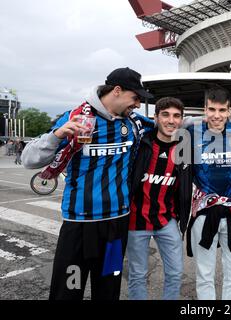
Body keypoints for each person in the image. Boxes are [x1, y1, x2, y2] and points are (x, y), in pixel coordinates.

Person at [22, 67, 154, 300]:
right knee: (68, 291)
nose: (137, 104)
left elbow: (168, 124)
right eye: (135, 98)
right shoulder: (75, 117)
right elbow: (28, 160)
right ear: (117, 91)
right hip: (79, 225)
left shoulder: (134, 122)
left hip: (116, 224)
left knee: (108, 290)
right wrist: (57, 135)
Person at [185, 86, 231, 300]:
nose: (217, 115)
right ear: (205, 109)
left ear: (229, 111)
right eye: (212, 109)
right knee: (204, 274)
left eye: (222, 110)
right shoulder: (191, 132)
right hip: (204, 212)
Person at [127, 97, 192, 300]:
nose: (171, 120)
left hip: (167, 220)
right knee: (137, 275)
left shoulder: (184, 149)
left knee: (174, 274)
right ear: (155, 117)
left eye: (176, 116)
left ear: (181, 120)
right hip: (136, 221)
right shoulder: (140, 144)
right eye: (165, 115)